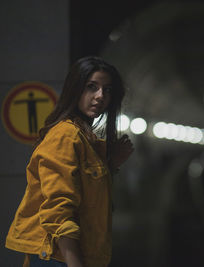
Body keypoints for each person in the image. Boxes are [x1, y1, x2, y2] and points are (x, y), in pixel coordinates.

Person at [5, 56, 134, 267]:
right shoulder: (66, 135)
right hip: (59, 257)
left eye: (107, 90)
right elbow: (58, 209)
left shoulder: (85, 139)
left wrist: (110, 165)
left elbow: (84, 194)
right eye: (91, 87)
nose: (100, 96)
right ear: (75, 88)